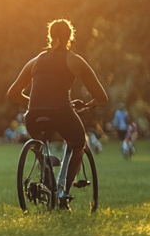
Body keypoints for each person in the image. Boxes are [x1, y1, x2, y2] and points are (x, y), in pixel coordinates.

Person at [6, 18, 109, 203]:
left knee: (44, 139)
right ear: (70, 37)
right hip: (61, 113)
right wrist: (88, 105)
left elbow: (12, 94)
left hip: (33, 116)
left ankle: (45, 164)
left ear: (50, 36)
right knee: (78, 143)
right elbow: (102, 97)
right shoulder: (74, 60)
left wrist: (33, 102)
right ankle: (63, 193)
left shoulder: (35, 61)